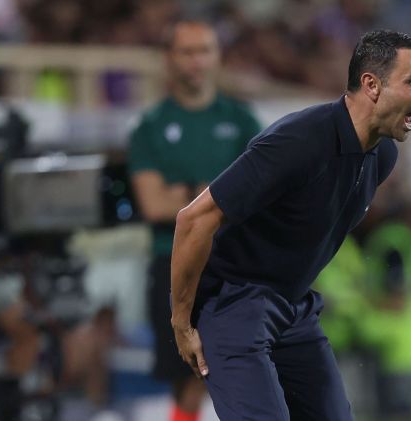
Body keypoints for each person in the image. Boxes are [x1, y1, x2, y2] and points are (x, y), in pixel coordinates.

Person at [171, 30, 411, 420]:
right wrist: (181, 322)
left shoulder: (382, 157)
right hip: (234, 304)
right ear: (371, 85)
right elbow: (194, 218)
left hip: (293, 308)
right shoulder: (300, 141)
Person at [128, 20, 261, 421]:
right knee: (183, 371)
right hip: (170, 263)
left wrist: (185, 194)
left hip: (232, 262)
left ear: (218, 58)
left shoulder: (242, 122)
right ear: (168, 60)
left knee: (222, 370)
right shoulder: (149, 128)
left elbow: (259, 195)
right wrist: (220, 192)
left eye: (205, 50)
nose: (197, 61)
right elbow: (152, 204)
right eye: (187, 51)